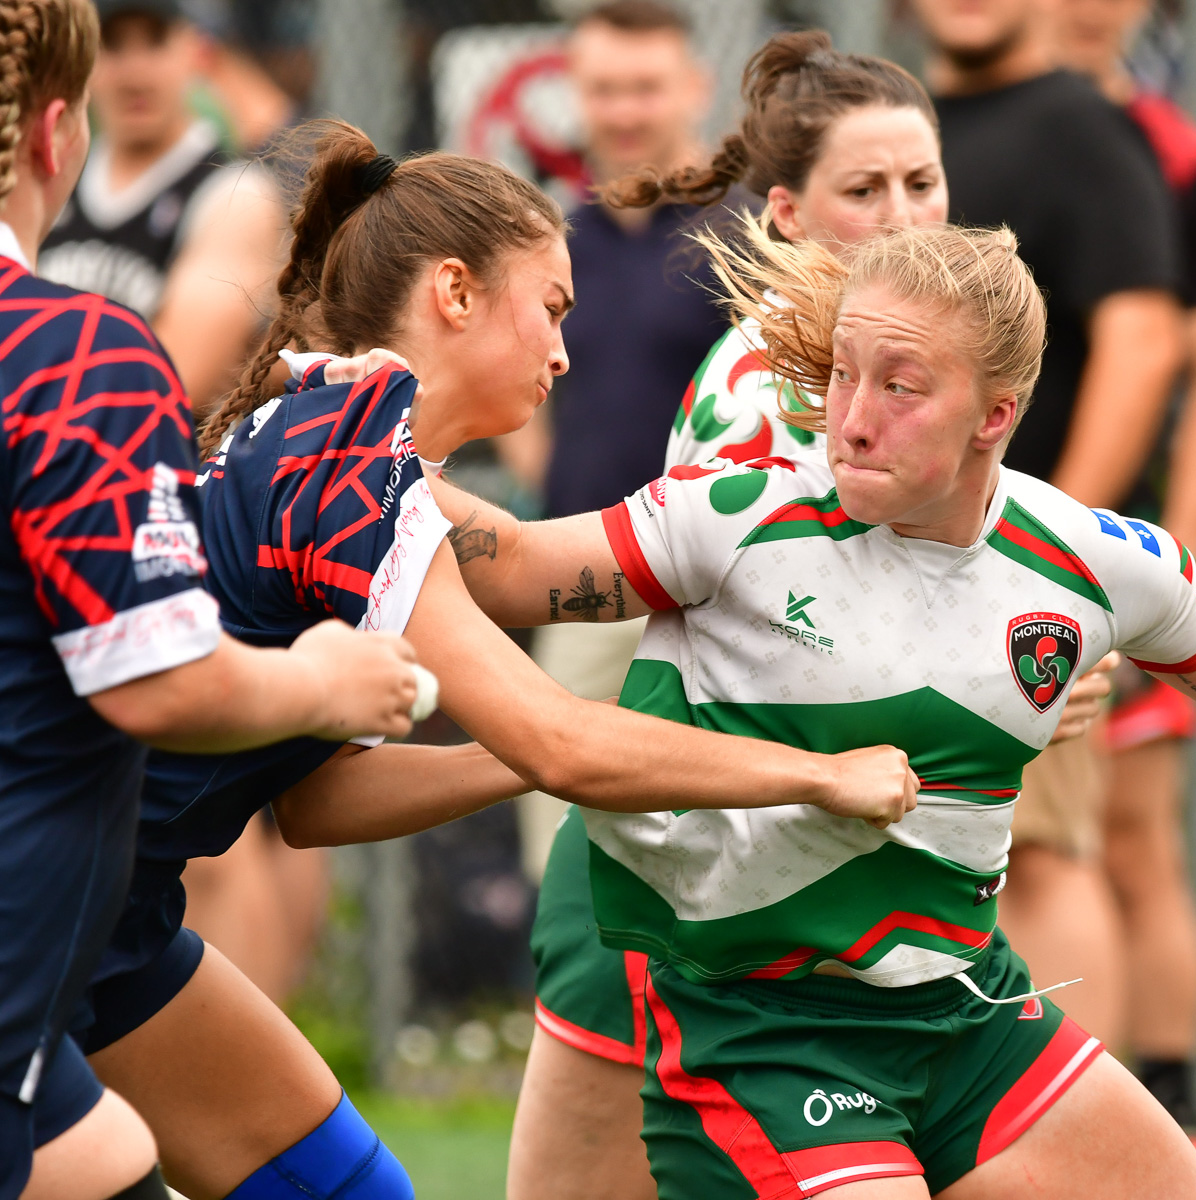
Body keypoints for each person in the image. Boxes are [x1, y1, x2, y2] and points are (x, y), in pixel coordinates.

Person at [431, 215, 1196, 1200]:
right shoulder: (737, 515)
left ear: (997, 414)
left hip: (964, 1011)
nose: (851, 419)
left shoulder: (1091, 562)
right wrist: (356, 450)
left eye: (899, 387)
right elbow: (515, 563)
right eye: (843, 375)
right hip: (762, 1028)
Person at [68, 120, 914, 1200]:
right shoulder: (351, 456)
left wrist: (527, 742)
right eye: (552, 308)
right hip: (53, 894)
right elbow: (564, 743)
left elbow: (325, 797)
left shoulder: (344, 437)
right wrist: (819, 773)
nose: (565, 352)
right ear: (455, 293)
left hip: (118, 914)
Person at [505, 34, 1088, 1200]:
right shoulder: (771, 391)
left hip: (827, 900)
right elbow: (789, 656)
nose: (903, 211)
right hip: (684, 885)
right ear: (786, 216)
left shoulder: (916, 374)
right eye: (863, 190)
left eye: (922, 182)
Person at [0, 8, 420, 1197]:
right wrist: (331, 681)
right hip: (30, 934)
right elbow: (165, 679)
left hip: (95, 959)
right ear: (55, 135)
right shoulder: (71, 352)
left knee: (122, 1159)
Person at [912, 0, 1189, 1048]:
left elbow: (1144, 342)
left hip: (1013, 580)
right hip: (910, 570)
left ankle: (1078, 1131)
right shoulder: (915, 123)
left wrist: (1040, 553)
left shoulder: (1077, 125)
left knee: (1040, 851)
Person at [1053, 0, 1196, 1150]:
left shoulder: (1176, 155)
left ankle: (1176, 1122)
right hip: (967, 535)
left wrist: (1167, 567)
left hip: (1109, 548)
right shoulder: (954, 130)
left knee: (1127, 842)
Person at [502, 0, 729, 885]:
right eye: (606, 90)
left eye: (647, 88)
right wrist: (550, 472)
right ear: (575, 96)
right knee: (560, 840)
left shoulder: (745, 237)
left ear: (694, 88)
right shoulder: (549, 240)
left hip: (716, 586)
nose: (626, 111)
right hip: (583, 579)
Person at [37, 0, 285, 410]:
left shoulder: (235, 196)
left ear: (197, 50)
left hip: (154, 463)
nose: (135, 74)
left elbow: (168, 388)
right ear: (86, 56)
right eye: (114, 45)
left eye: (154, 41)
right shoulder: (49, 180)